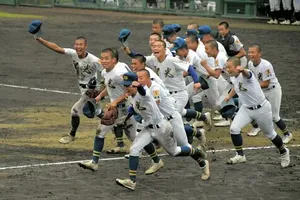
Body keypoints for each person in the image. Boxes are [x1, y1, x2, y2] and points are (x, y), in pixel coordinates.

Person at [116, 71, 209, 191]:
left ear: (135, 84)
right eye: (124, 85)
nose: (125, 87)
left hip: (162, 128)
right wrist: (126, 118)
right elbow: (134, 107)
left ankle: (198, 154)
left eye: (128, 85)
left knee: (174, 151)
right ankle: (132, 181)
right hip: (148, 129)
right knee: (134, 149)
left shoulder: (145, 93)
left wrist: (139, 86)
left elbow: (143, 93)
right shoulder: (131, 96)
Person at [224, 57, 290, 168]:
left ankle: (284, 152)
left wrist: (242, 70)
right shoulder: (233, 78)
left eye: (229, 67)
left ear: (237, 67)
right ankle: (240, 155)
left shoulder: (247, 73)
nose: (227, 69)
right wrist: (228, 97)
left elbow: (247, 74)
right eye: (226, 67)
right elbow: (236, 86)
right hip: (246, 108)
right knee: (234, 129)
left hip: (262, 109)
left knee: (270, 134)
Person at [34, 36, 102, 144]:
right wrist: (42, 41)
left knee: (75, 111)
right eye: (76, 44)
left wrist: (101, 90)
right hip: (82, 89)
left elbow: (107, 71)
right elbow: (57, 48)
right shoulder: (73, 53)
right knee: (98, 112)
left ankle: (72, 134)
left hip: (91, 91)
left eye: (80, 44)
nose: (78, 47)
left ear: (85, 46)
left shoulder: (93, 60)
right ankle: (118, 125)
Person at [247, 44, 293, 143]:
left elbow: (266, 84)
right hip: (261, 91)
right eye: (249, 52)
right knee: (251, 108)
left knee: (274, 116)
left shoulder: (266, 65)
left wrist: (251, 87)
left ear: (259, 54)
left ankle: (287, 134)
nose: (250, 54)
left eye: (253, 52)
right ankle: (256, 127)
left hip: (272, 91)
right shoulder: (250, 63)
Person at [201, 40, 232, 127]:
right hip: (232, 83)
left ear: (214, 49)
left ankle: (228, 118)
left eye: (207, 49)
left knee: (220, 103)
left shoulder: (219, 58)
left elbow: (216, 75)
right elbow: (217, 71)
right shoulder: (218, 57)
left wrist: (205, 66)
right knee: (222, 102)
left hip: (236, 83)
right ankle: (228, 118)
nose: (205, 51)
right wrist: (209, 74)